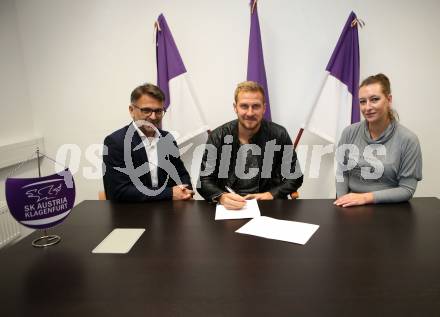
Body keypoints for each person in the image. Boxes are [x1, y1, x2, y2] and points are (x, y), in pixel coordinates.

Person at [198, 81, 303, 210]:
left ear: (264, 108)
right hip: (229, 209)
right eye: (244, 106)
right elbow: (204, 180)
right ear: (235, 107)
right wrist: (221, 197)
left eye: (256, 106)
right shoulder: (218, 136)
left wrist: (271, 194)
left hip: (268, 206)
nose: (250, 113)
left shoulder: (279, 134)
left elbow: (295, 177)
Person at [334, 73, 422, 207]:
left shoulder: (408, 140)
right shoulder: (349, 133)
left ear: (389, 99)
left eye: (374, 99)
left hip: (390, 210)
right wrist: (343, 201)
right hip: (352, 206)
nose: (367, 107)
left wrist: (365, 198)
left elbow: (407, 189)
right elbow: (342, 172)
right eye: (362, 101)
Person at [103, 83, 194, 202]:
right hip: (132, 215)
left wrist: (185, 190)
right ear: (131, 110)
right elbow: (118, 192)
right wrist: (169, 193)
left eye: (158, 111)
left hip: (168, 213)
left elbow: (181, 174)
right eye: (146, 110)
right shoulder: (115, 142)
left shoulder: (167, 138)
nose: (153, 116)